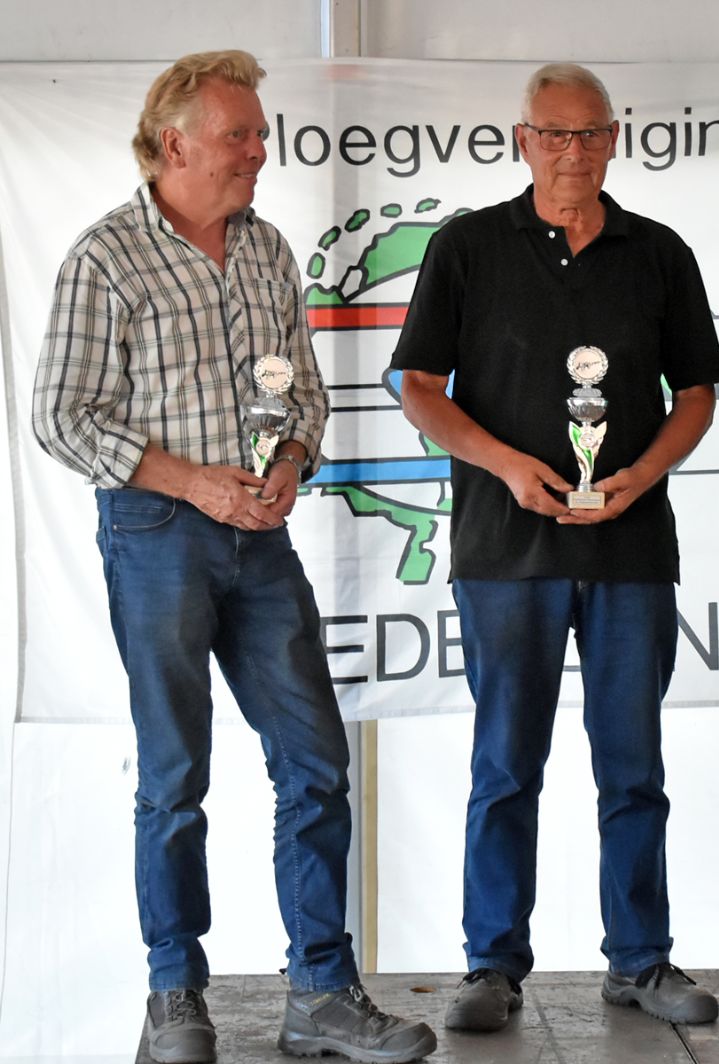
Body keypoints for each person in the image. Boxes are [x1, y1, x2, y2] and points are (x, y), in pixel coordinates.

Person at [30, 51, 434, 1063]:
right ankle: (175, 995)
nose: (260, 150)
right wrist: (190, 481)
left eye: (260, 132)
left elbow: (306, 392)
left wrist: (292, 459)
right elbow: (61, 416)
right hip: (156, 535)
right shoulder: (106, 257)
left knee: (317, 762)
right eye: (239, 134)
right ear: (174, 144)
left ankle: (322, 992)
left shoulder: (267, 248)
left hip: (261, 535)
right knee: (174, 775)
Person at [390, 63, 719, 1031]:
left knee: (634, 767)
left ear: (614, 140)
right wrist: (504, 465)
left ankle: (641, 960)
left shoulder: (659, 253)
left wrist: (642, 474)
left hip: (630, 551)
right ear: (522, 141)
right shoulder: (466, 247)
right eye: (553, 134)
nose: (572, 152)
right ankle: (492, 966)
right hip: (505, 551)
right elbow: (418, 387)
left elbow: (697, 393)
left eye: (589, 134)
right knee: (505, 767)